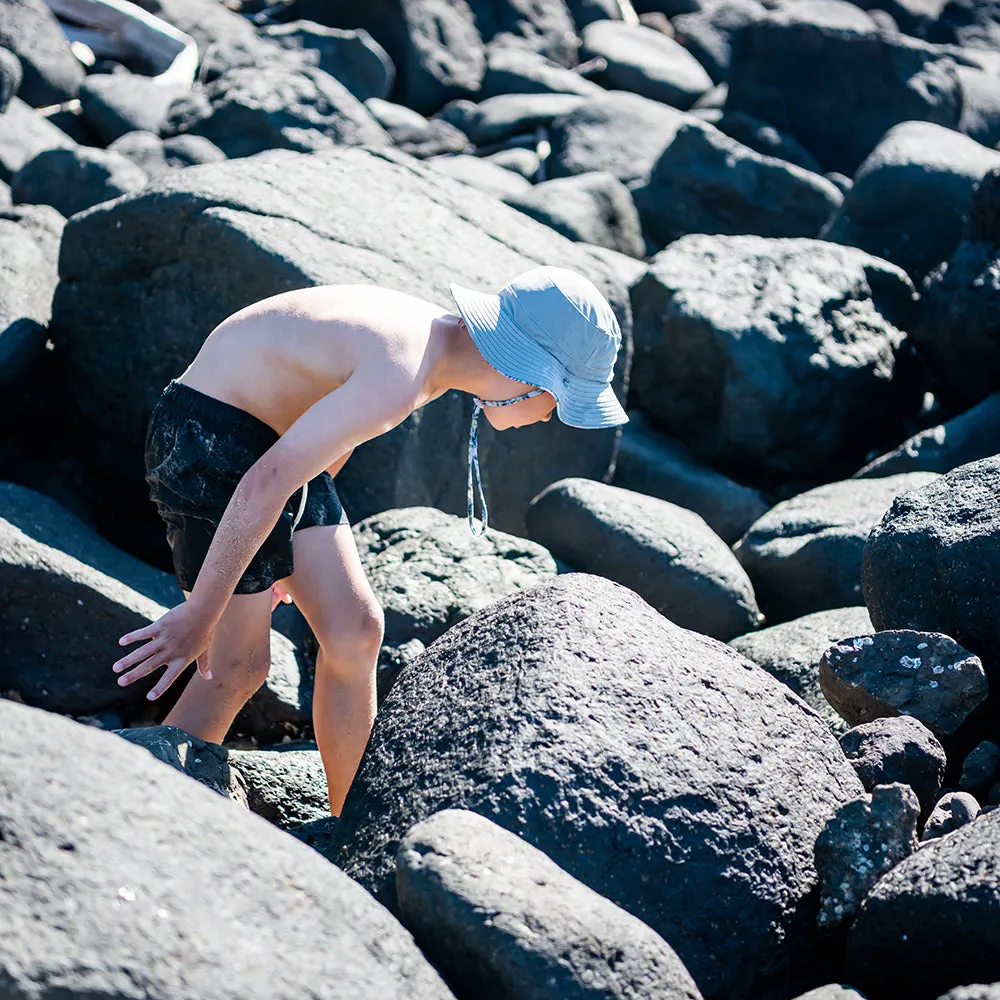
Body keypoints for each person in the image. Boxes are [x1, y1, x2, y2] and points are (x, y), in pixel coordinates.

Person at [113, 265, 628, 814]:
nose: (551, 417)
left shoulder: (435, 353)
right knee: (238, 666)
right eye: (559, 401)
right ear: (530, 374)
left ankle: (349, 825)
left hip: (273, 448)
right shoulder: (403, 369)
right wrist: (201, 613)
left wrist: (284, 550)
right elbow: (264, 481)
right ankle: (145, 811)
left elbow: (324, 443)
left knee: (356, 629)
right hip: (209, 441)